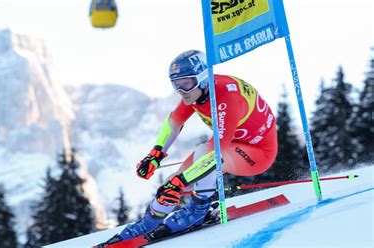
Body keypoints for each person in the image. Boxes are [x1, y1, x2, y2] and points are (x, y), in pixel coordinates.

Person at [104, 50, 278, 244]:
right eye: (176, 84)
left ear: (203, 78)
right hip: (229, 146)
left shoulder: (226, 98)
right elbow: (174, 122)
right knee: (169, 184)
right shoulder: (196, 93)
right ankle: (148, 224)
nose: (181, 91)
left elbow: (215, 154)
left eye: (185, 83)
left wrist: (181, 182)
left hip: (257, 153)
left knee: (201, 155)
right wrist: (155, 155)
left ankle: (198, 209)